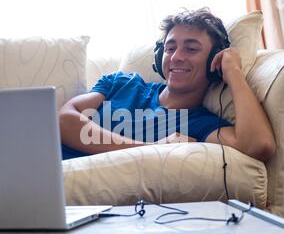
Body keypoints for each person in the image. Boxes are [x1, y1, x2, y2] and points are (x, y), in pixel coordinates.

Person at [59, 8, 276, 162]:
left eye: (191, 49)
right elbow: (64, 119)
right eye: (170, 48)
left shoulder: (198, 124)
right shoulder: (121, 83)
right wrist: (152, 149)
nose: (176, 57)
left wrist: (234, 73)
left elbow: (259, 146)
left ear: (213, 62)